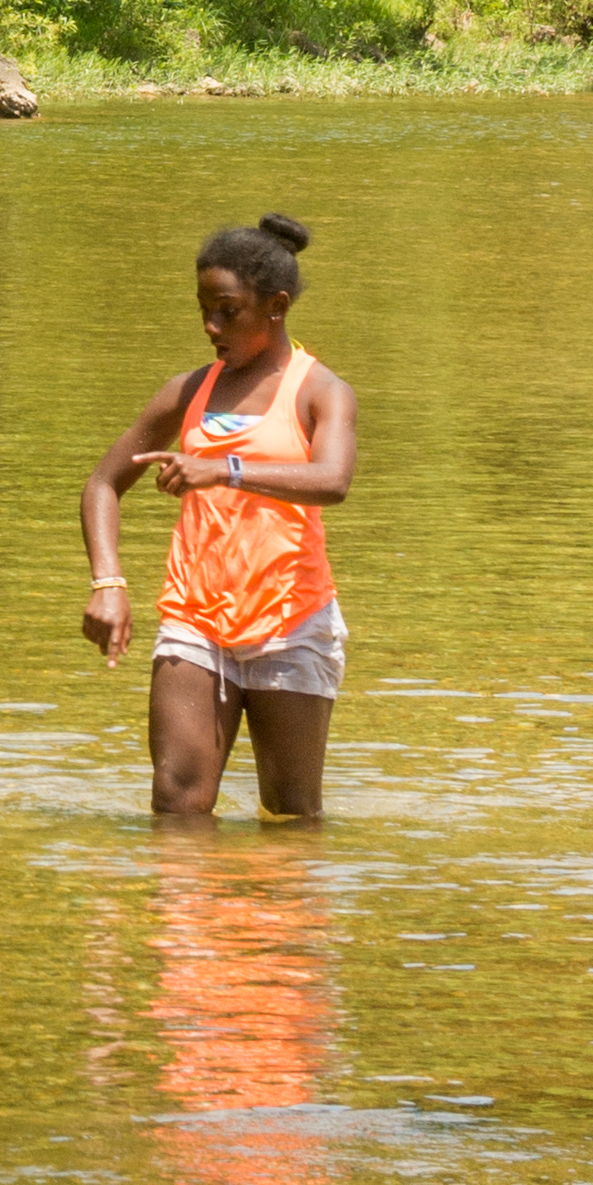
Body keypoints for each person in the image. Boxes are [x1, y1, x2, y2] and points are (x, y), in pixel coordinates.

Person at [79, 211, 355, 822]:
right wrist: (108, 583)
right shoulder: (187, 391)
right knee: (177, 804)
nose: (210, 326)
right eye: (204, 309)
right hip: (193, 619)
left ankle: (274, 918)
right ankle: (188, 917)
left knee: (289, 816)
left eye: (228, 311)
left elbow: (332, 482)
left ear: (276, 306)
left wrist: (223, 469)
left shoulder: (320, 392)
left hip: (292, 622)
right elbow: (103, 484)